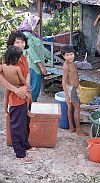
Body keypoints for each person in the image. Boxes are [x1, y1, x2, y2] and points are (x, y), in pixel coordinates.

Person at [3, 32, 34, 164]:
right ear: (11, 44)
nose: (21, 45)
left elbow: (27, 74)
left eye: (22, 42)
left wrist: (25, 87)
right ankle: (20, 153)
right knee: (17, 126)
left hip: (25, 94)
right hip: (16, 97)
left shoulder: (24, 57)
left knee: (25, 122)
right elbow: (2, 77)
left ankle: (25, 144)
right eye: (17, 42)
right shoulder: (8, 59)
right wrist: (17, 89)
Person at [17, 15, 50, 102]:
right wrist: (41, 66)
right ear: (30, 23)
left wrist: (52, 57)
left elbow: (42, 49)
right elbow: (31, 53)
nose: (36, 26)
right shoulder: (26, 35)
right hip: (33, 66)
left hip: (36, 66)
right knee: (34, 88)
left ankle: (30, 105)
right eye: (35, 24)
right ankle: (29, 106)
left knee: (34, 87)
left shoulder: (32, 35)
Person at [61, 45, 89, 136]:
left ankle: (71, 127)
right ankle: (78, 129)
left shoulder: (72, 63)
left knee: (70, 108)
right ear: (63, 56)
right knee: (77, 109)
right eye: (67, 55)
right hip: (72, 89)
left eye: (71, 54)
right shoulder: (66, 66)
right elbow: (63, 80)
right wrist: (66, 96)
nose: (70, 57)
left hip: (73, 88)